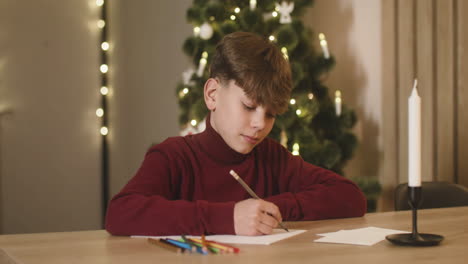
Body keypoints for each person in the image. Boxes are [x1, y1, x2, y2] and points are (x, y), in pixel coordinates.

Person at [105, 32, 366, 236]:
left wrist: (271, 211)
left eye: (271, 114)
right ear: (212, 95)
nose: (259, 124)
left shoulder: (272, 157)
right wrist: (228, 217)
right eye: (249, 106)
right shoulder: (173, 156)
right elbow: (120, 213)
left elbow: (350, 197)